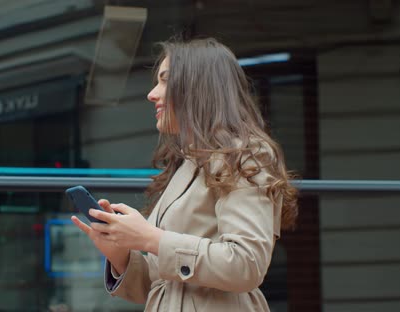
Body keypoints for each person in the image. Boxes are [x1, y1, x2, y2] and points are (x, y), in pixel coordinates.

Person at [71, 37, 298, 311]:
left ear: (198, 87)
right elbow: (162, 285)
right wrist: (120, 255)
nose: (152, 93)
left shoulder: (245, 154)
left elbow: (246, 264)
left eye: (165, 80)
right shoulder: (185, 164)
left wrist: (149, 238)